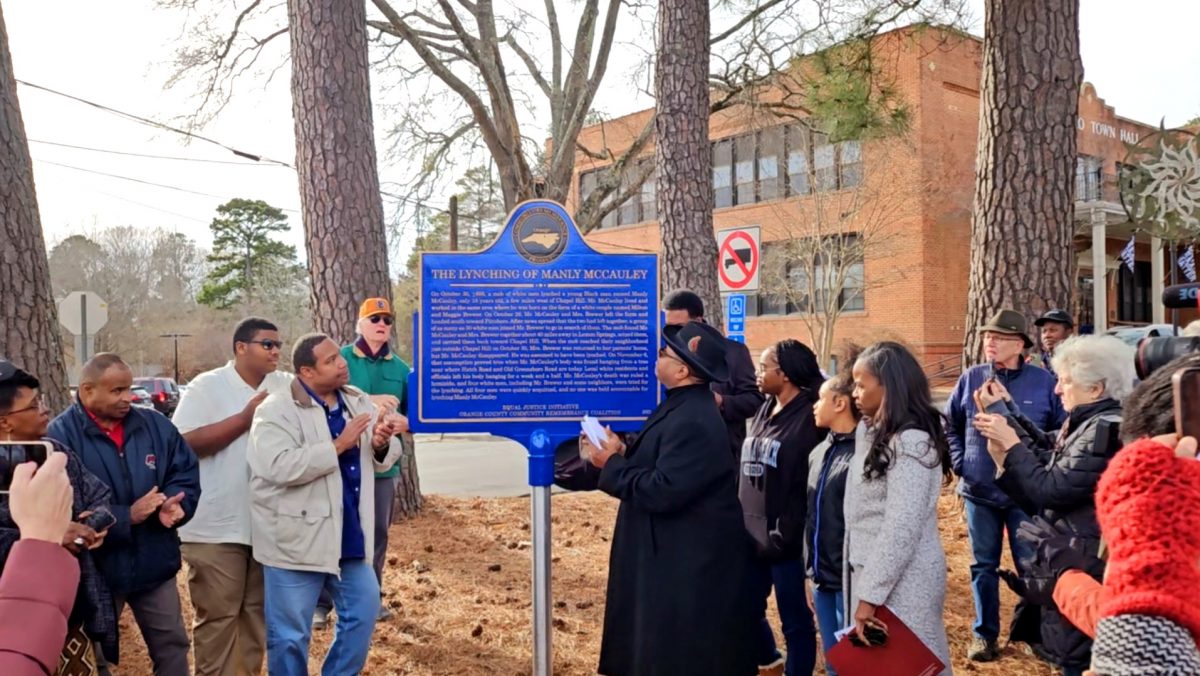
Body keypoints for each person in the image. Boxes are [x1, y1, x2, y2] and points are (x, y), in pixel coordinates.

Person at [581, 320, 757, 676]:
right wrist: (621, 450)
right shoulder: (682, 406)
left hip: (684, 571)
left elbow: (664, 490)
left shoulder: (694, 418)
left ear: (681, 370)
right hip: (670, 560)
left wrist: (610, 464)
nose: (656, 357)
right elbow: (660, 463)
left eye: (664, 353)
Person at [973, 335, 1134, 676]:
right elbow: (1050, 453)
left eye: (1065, 381)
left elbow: (1051, 488)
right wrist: (1007, 412)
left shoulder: (1103, 429)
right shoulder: (1091, 422)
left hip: (1083, 566)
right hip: (1073, 558)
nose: (1058, 390)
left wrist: (1011, 445)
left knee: (1076, 659)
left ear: (1095, 389)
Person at [249, 333, 405, 676]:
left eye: (340, 355)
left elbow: (383, 458)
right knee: (290, 636)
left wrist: (380, 443)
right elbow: (275, 466)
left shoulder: (357, 401)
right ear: (307, 371)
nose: (343, 362)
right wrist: (337, 445)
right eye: (331, 360)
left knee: (363, 612)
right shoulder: (275, 410)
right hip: (294, 541)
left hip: (348, 534)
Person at [48, 353, 200, 676]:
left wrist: (177, 504)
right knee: (94, 655)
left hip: (153, 563)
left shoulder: (155, 425)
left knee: (172, 646)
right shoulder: (59, 436)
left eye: (128, 389)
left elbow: (184, 471)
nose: (127, 398)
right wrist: (125, 516)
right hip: (95, 570)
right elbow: (62, 508)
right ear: (87, 391)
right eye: (117, 391)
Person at [171, 317, 292, 676]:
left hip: (267, 526)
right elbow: (183, 444)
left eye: (278, 345)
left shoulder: (284, 385)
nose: (276, 351)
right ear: (241, 347)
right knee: (219, 619)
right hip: (215, 527)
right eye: (267, 344)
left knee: (255, 617)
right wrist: (244, 419)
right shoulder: (207, 386)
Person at [945, 309, 1064, 662]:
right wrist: (960, 462)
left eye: (998, 337)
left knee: (1032, 567)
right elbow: (950, 424)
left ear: (1019, 345)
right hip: (979, 493)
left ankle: (1035, 636)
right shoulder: (971, 378)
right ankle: (985, 636)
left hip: (1024, 496)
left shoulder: (1044, 383)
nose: (989, 342)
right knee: (983, 566)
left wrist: (1041, 471)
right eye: (987, 336)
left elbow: (1058, 435)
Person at [0, 360, 119, 673]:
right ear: (5, 422)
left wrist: (87, 528)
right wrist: (45, 537)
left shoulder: (56, 453)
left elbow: (101, 498)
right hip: (11, 622)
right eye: (33, 405)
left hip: (71, 610)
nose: (45, 409)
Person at [845, 341, 952, 673]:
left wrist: (869, 597)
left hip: (903, 583)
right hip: (871, 576)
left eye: (862, 385)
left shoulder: (912, 442)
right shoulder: (873, 432)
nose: (855, 394)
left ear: (888, 385)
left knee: (911, 668)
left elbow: (900, 528)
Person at [314, 298, 411, 629]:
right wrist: (370, 401)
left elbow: (416, 416)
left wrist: (403, 423)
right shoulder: (338, 358)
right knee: (335, 526)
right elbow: (322, 390)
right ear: (360, 324)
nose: (381, 324)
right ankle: (322, 604)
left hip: (384, 465)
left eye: (386, 319)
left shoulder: (400, 368)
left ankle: (371, 598)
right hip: (340, 458)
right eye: (374, 318)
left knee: (377, 533)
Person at [740, 339, 823, 676]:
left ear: (785, 373)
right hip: (750, 535)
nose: (758, 374)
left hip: (787, 539)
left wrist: (786, 532)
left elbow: (807, 482)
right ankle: (770, 659)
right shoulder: (765, 406)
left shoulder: (809, 416)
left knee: (796, 621)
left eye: (764, 367)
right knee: (744, 607)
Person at [806, 345, 862, 671]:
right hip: (821, 579)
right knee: (833, 663)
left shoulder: (862, 455)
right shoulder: (818, 453)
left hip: (849, 582)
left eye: (820, 399)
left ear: (840, 403)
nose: (815, 406)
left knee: (857, 664)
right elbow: (811, 518)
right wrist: (808, 572)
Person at [0, 451, 80, 675]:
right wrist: (40, 538)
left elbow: (97, 494)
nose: (43, 413)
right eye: (31, 411)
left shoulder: (60, 450)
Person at [663, 290, 764, 457]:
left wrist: (722, 402)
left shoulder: (733, 352)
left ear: (698, 321)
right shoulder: (663, 355)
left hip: (721, 453)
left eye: (680, 327)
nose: (674, 334)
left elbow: (754, 400)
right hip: (673, 452)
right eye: (668, 327)